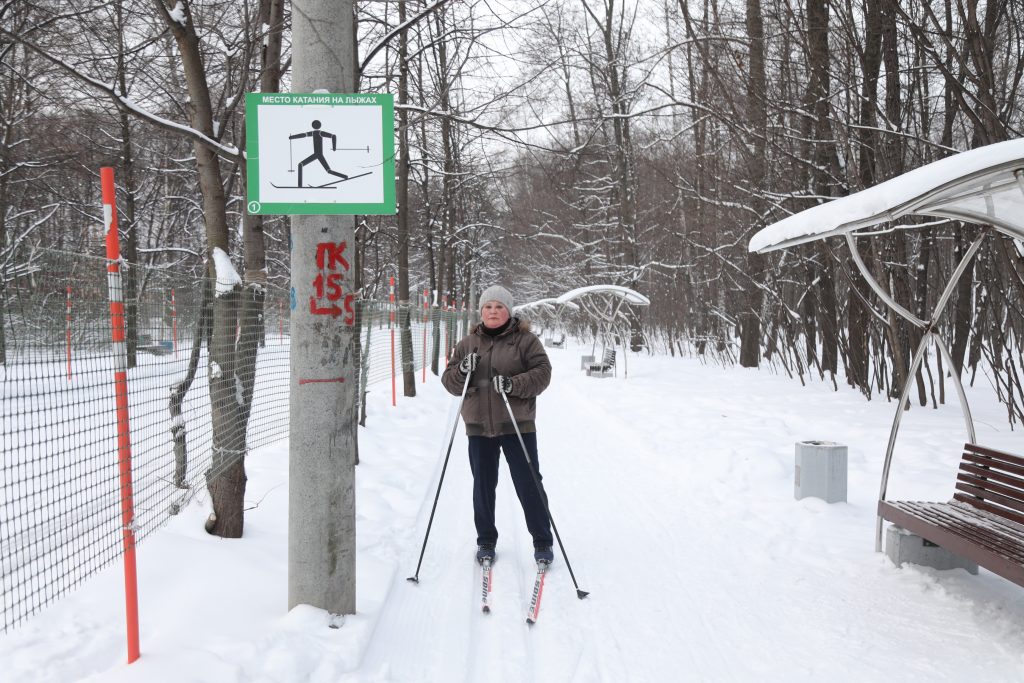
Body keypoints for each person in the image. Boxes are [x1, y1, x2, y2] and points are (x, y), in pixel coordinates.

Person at [441, 285, 555, 566]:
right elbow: (450, 383)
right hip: (479, 426)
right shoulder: (467, 344)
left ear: (509, 311)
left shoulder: (526, 341)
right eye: (488, 307)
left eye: (499, 307)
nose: (493, 311)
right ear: (481, 312)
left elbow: (543, 373)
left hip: (517, 424)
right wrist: (461, 371)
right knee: (483, 485)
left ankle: (542, 541)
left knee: (528, 483)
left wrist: (513, 384)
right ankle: (486, 540)